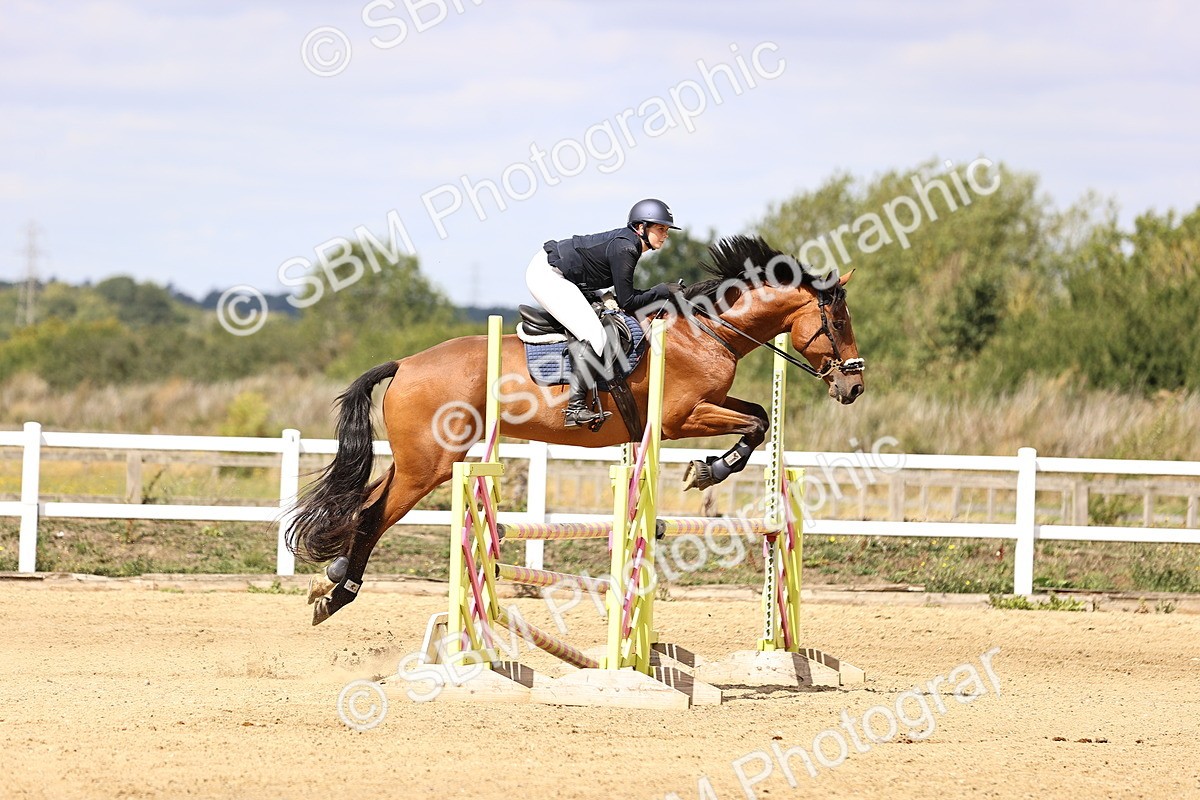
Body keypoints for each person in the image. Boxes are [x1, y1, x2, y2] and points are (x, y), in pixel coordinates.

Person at [526, 198, 681, 428]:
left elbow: (622, 298)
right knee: (594, 336)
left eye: (666, 230)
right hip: (548, 275)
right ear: (641, 228)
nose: (665, 235)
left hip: (568, 275)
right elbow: (628, 301)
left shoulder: (630, 244)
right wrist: (661, 290)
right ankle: (575, 408)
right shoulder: (626, 247)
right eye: (660, 229)